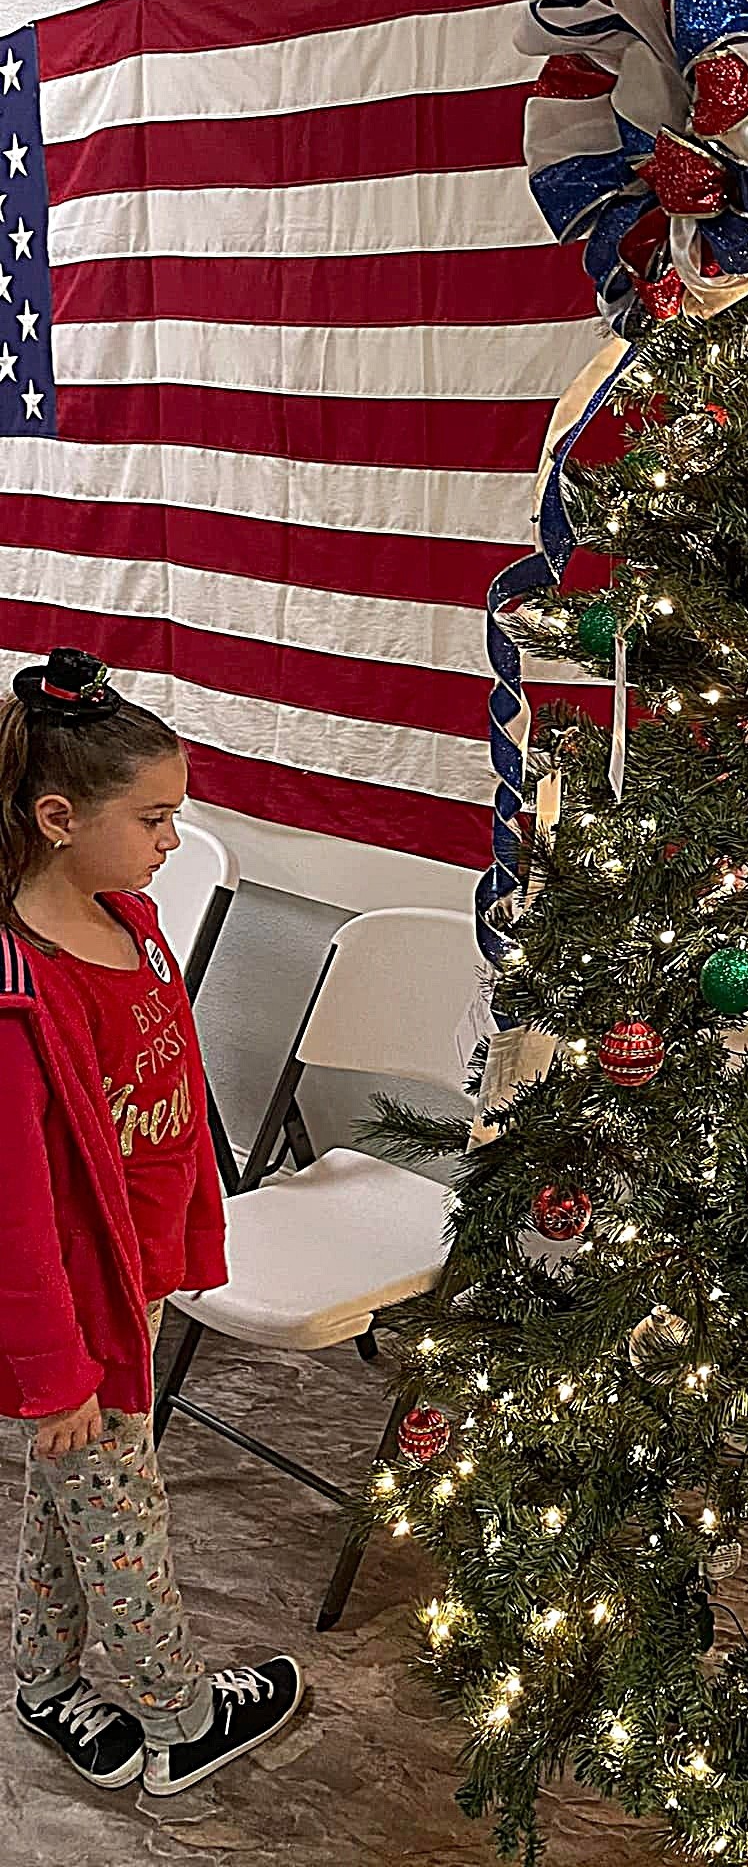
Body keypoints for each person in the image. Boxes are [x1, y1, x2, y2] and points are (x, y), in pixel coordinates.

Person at [1, 647, 303, 1796]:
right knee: (124, 1514)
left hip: (133, 1280)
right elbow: (16, 1221)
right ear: (58, 818)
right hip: (80, 1320)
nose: (173, 840)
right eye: (154, 817)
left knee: (72, 1497)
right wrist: (54, 1374)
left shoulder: (130, 919)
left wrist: (183, 1246)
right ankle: (180, 1716)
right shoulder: (19, 996)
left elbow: (167, 1115)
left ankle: (43, 1678)